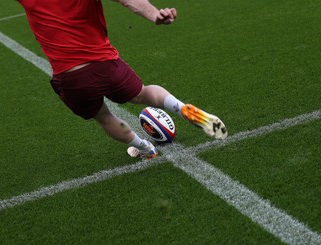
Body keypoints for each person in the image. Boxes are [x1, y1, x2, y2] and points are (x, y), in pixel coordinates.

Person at [17, 0, 227, 159]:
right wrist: (155, 15)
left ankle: (146, 149)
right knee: (142, 93)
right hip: (104, 63)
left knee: (104, 117)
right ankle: (182, 108)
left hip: (70, 77)